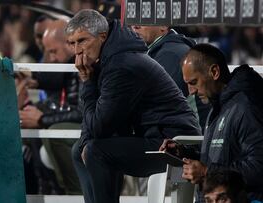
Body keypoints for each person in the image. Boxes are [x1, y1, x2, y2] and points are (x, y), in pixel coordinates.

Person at [66, 9, 201, 203]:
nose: (77, 51)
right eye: (72, 43)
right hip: (152, 136)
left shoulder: (121, 64)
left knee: (96, 151)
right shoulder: (110, 58)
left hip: (173, 144)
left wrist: (88, 82)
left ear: (102, 36)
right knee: (81, 149)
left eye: (82, 41)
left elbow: (99, 126)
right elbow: (96, 126)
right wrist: (85, 142)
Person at [160, 44, 263, 202]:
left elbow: (259, 167)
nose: (191, 91)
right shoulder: (219, 105)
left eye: (193, 82)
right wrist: (186, 153)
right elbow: (224, 155)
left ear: (214, 72)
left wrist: (207, 172)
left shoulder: (246, 106)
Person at [18, 19, 82, 195]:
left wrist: (42, 119)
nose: (51, 57)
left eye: (53, 51)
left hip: (91, 134)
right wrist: (34, 78)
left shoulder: (85, 65)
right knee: (30, 127)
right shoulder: (68, 66)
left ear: (70, 43)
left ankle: (73, 194)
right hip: (75, 126)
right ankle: (46, 191)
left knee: (53, 132)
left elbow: (82, 112)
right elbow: (58, 79)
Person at [131, 25, 210, 130]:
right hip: (171, 131)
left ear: (163, 25)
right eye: (133, 20)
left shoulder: (170, 54)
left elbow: (158, 106)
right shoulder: (160, 50)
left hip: (186, 138)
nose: (135, 26)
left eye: (143, 20)